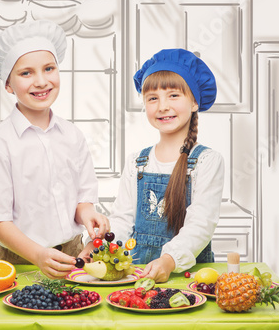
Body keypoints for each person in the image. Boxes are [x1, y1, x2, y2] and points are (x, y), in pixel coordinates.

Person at [0, 20, 109, 279]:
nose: (41, 81)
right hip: (21, 260)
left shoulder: (72, 136)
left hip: (74, 254)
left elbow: (82, 200)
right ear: (8, 85)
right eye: (26, 73)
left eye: (49, 69)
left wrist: (89, 215)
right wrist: (38, 255)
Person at [89, 49, 224, 282]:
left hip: (187, 276)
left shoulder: (206, 161)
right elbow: (122, 219)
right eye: (153, 98)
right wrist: (100, 249)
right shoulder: (136, 162)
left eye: (173, 95)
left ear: (194, 102)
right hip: (136, 275)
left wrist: (170, 260)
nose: (162, 106)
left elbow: (201, 223)